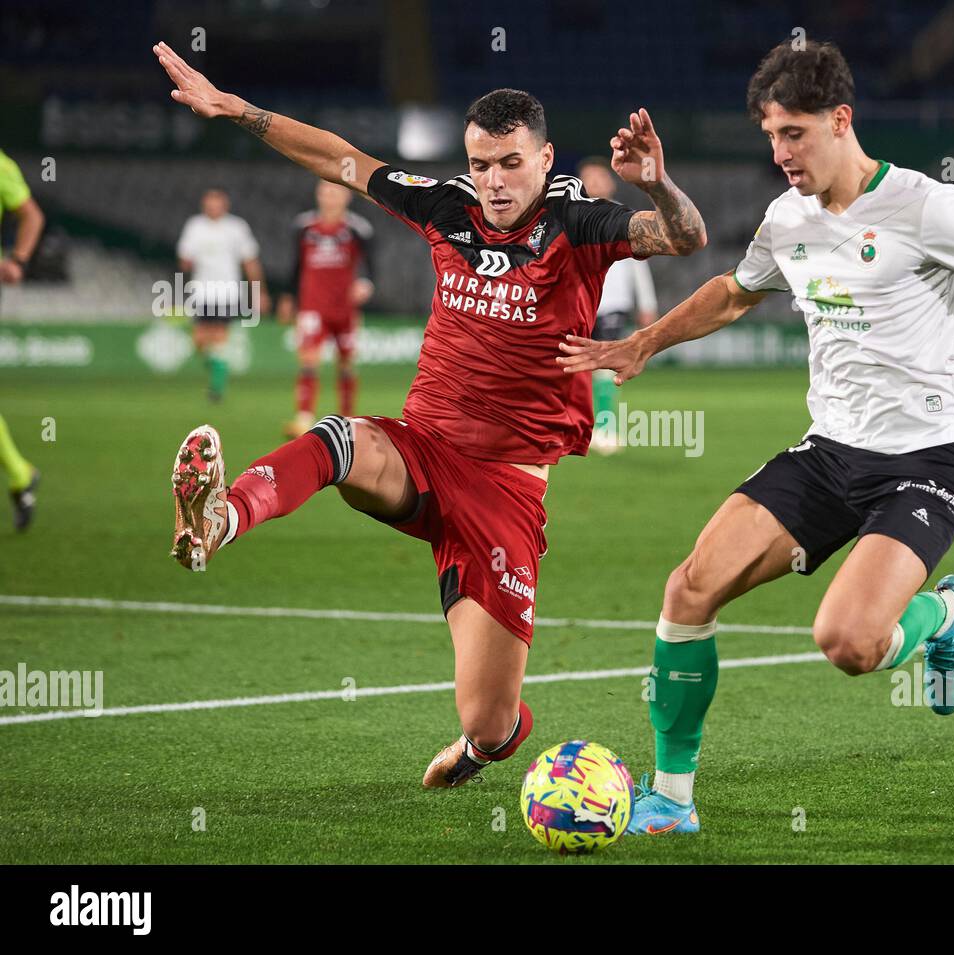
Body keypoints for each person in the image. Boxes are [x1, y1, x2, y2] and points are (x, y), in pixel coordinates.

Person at [558, 39, 954, 835]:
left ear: (841, 120)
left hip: (928, 459)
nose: (780, 154)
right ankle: (673, 801)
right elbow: (734, 291)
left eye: (795, 134)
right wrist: (644, 342)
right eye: (771, 137)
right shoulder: (788, 218)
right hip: (829, 452)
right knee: (688, 590)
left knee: (849, 641)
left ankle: (942, 618)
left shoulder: (929, 207)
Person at [152, 41, 706, 787]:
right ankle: (220, 519)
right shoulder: (447, 205)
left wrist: (660, 186)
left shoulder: (580, 223)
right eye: (481, 164)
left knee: (490, 719)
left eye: (510, 163)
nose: (494, 181)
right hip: (421, 451)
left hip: (506, 491)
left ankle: (483, 747)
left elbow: (684, 237)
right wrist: (237, 109)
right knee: (341, 440)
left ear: (544, 159)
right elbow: (341, 160)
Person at [279, 180, 375, 437]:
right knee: (308, 359)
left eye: (335, 192)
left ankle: (347, 419)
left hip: (345, 307)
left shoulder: (358, 229)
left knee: (346, 364)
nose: (330, 197)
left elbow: (370, 266)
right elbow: (295, 265)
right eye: (325, 192)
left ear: (346, 197)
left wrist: (366, 283)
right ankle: (304, 418)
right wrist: (289, 297)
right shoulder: (303, 227)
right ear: (317, 195)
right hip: (312, 305)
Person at [576, 157, 658, 454]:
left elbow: (639, 264)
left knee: (605, 369)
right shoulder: (574, 218)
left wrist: (646, 302)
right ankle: (580, 428)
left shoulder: (623, 218)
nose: (594, 183)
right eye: (588, 178)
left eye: (598, 177)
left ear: (610, 182)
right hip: (579, 304)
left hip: (613, 304)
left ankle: (606, 428)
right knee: (576, 369)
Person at [176, 188, 269, 402]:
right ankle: (218, 368)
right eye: (210, 202)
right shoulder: (195, 226)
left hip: (227, 290)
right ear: (204, 204)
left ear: (225, 204)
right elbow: (184, 259)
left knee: (218, 337)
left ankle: (216, 389)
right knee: (199, 341)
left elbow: (250, 262)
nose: (213, 207)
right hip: (201, 290)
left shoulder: (236, 227)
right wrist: (186, 263)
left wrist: (259, 292)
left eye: (217, 202)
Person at [0, 148, 45, 531]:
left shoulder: (2, 166)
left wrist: (18, 260)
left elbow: (31, 214)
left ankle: (19, 473)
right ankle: (19, 474)